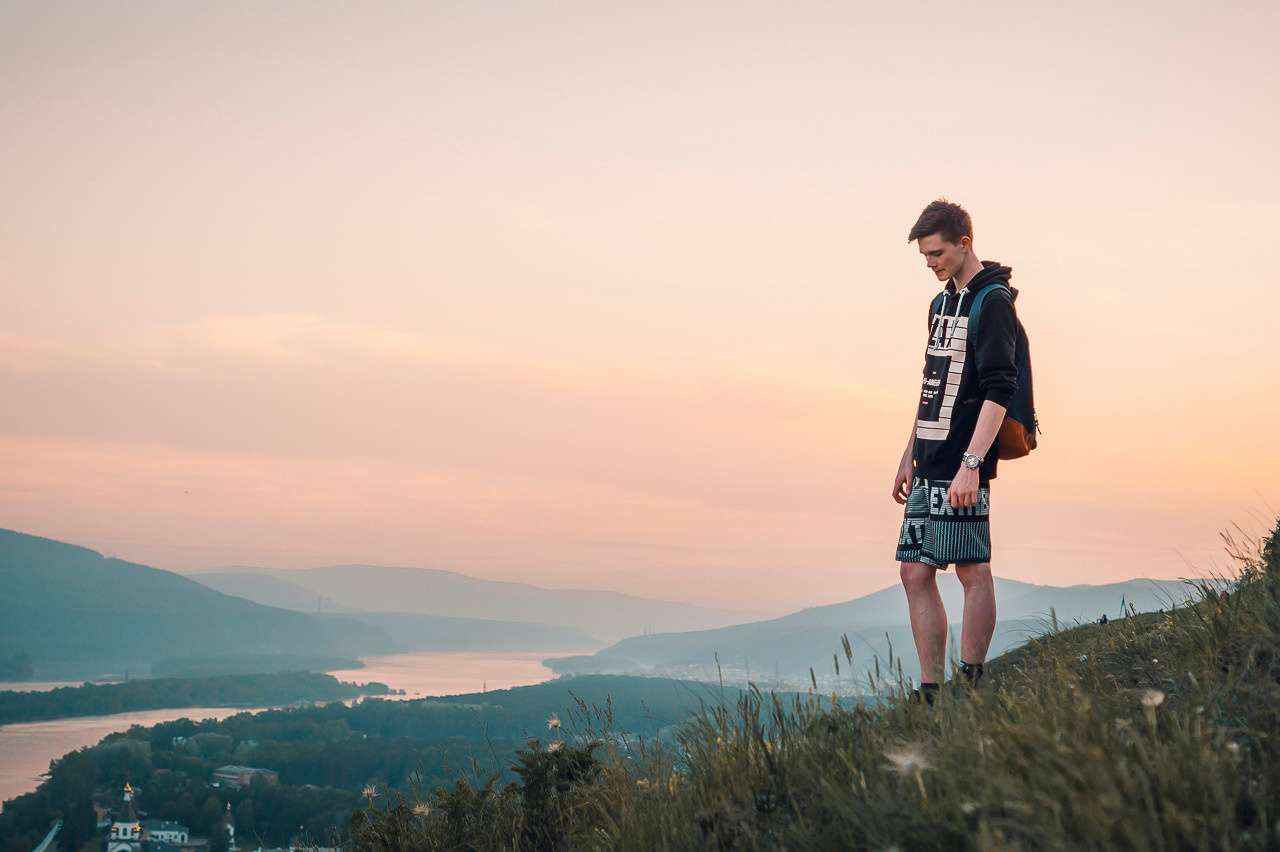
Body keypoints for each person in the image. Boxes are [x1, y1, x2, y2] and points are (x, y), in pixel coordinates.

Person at [892, 199, 1020, 704]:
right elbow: (932, 382)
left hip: (963, 460)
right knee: (914, 571)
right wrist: (909, 451)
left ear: (964, 243)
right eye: (925, 255)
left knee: (971, 569)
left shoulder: (993, 301)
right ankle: (930, 693)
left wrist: (972, 465)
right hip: (929, 457)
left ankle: (970, 686)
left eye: (937, 253)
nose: (930, 263)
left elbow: (1000, 387)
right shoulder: (940, 304)